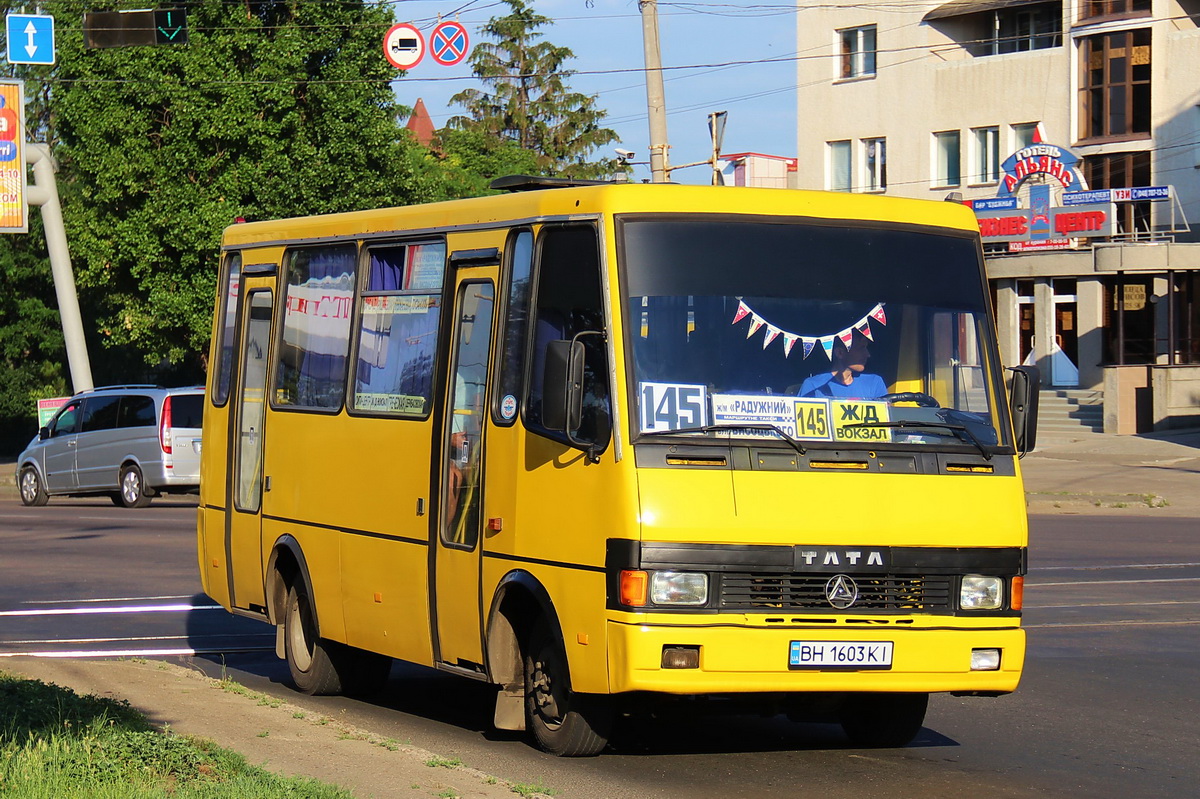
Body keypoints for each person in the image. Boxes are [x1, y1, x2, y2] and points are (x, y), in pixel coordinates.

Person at [799, 334, 887, 400]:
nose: (867, 354)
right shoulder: (813, 385)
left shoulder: (874, 383)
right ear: (840, 353)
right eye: (861, 348)